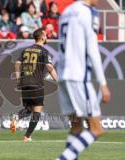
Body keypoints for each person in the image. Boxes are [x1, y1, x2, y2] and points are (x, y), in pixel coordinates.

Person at [56, 0, 111, 159]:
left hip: (63, 76)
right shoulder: (88, 12)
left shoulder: (66, 11)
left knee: (76, 127)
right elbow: (92, 48)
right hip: (78, 77)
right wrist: (103, 83)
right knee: (96, 128)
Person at [10, 28, 58, 142]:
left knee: (28, 108)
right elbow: (50, 68)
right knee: (37, 110)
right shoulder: (44, 51)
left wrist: (18, 79)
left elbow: (17, 64)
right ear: (41, 37)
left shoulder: (25, 50)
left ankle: (16, 117)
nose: (46, 37)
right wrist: (58, 80)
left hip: (24, 82)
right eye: (45, 35)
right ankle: (27, 136)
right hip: (36, 83)